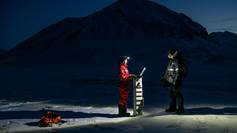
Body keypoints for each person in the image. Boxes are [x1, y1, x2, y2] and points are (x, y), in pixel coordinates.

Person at [161, 49, 188, 114]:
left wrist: (175, 81)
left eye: (170, 54)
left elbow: (179, 72)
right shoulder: (171, 61)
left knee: (178, 94)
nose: (168, 55)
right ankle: (173, 108)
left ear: (173, 54)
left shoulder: (178, 60)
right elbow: (168, 71)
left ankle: (181, 109)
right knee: (172, 95)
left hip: (176, 81)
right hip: (170, 81)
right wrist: (164, 78)